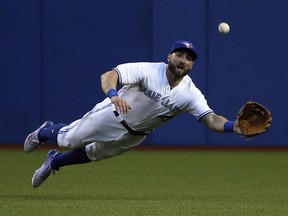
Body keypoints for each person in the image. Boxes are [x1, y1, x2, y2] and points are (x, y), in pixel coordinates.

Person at [24, 40, 242, 188]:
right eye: (179, 54)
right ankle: (44, 132)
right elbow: (109, 75)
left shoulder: (190, 93)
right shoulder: (148, 70)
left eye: (188, 58)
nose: (182, 60)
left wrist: (233, 126)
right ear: (169, 56)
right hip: (112, 114)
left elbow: (211, 118)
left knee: (92, 154)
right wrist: (113, 95)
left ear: (192, 64)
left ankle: (53, 162)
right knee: (67, 139)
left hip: (135, 135)